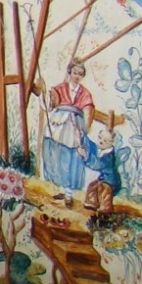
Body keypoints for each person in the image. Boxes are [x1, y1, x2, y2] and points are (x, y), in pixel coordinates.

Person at [41, 58, 94, 204]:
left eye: (80, 74)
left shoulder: (85, 93)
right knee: (56, 155)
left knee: (73, 159)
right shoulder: (60, 88)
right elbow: (50, 104)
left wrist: (85, 128)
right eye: (75, 73)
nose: (77, 76)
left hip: (74, 127)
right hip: (58, 125)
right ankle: (59, 189)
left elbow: (88, 110)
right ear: (69, 72)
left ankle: (69, 194)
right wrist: (45, 95)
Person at [80, 128, 122, 215]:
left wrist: (86, 157)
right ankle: (91, 202)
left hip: (111, 181)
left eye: (105, 141)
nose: (101, 141)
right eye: (100, 137)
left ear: (111, 143)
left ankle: (106, 209)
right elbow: (91, 145)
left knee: (105, 192)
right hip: (103, 178)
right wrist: (83, 137)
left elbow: (98, 164)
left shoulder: (109, 157)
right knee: (92, 186)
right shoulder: (101, 148)